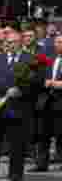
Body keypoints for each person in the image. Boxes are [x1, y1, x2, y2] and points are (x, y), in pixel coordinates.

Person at [0, 31, 41, 181]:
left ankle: (15, 173)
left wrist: (21, 90)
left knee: (17, 142)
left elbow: (37, 82)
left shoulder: (30, 59)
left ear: (21, 42)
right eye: (7, 42)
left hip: (18, 106)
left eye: (13, 42)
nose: (10, 45)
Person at [32, 34, 62, 172]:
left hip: (60, 101)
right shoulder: (48, 59)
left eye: (61, 42)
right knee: (43, 133)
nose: (59, 44)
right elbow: (38, 76)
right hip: (46, 101)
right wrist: (44, 82)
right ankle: (41, 163)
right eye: (57, 42)